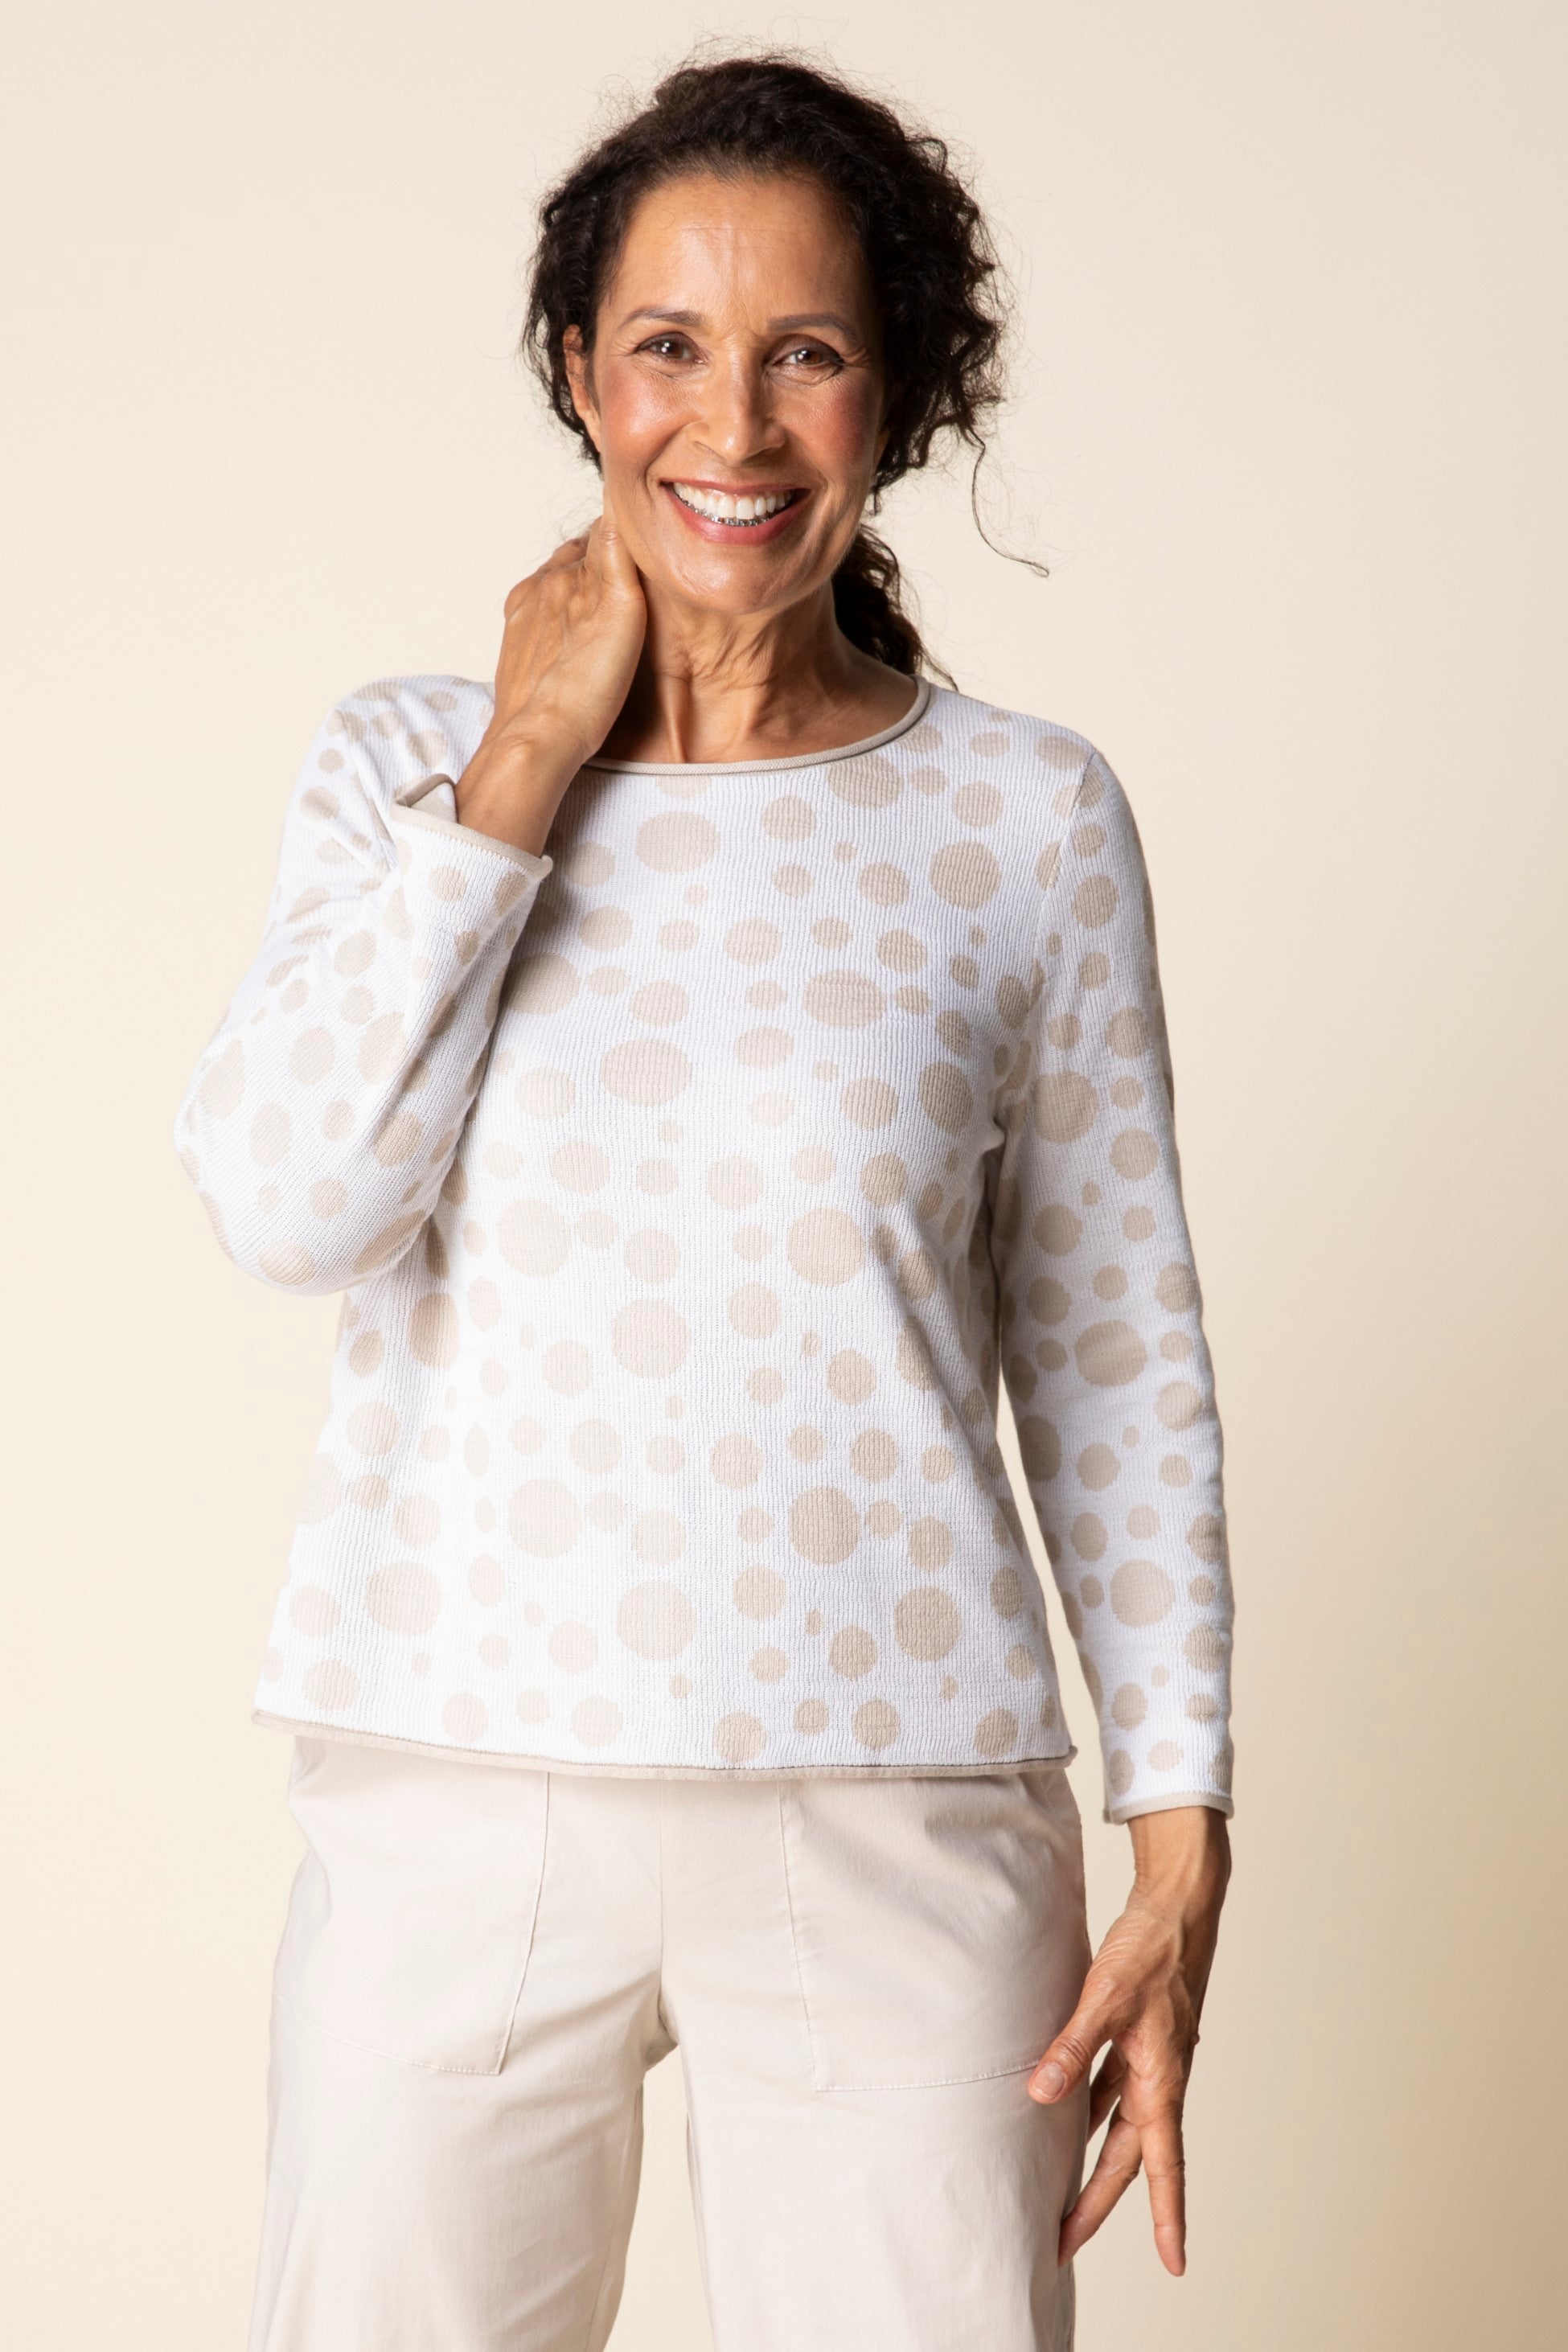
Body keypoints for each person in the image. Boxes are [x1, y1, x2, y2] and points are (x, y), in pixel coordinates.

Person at [176, 49, 1233, 2352]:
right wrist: (522, 766)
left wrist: (1181, 1830)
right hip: (458, 1775)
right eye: (668, 344)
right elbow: (291, 1204)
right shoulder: (406, 768)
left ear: (900, 392)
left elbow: (1115, 1346)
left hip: (896, 1802)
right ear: (581, 372)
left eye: (805, 352)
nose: (730, 425)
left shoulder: (1022, 821)